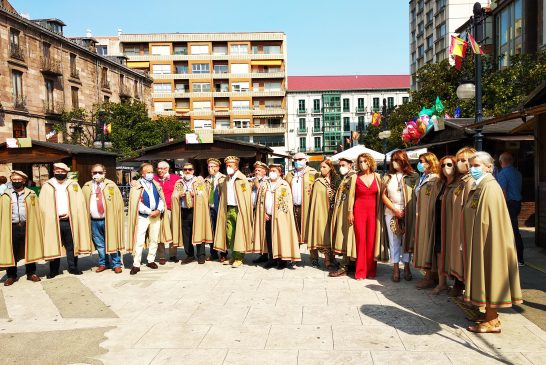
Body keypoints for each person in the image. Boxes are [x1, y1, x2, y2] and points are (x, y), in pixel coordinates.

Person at [463, 151, 522, 333]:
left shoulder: (490, 187)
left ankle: (492, 321)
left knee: (490, 275)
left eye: (476, 166)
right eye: (471, 165)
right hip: (480, 240)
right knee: (485, 276)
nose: (472, 169)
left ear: (489, 167)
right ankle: (489, 314)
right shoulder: (481, 185)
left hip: (488, 242)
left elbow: (489, 221)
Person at [40, 163, 92, 278]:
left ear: (66, 172)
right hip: (53, 221)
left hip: (69, 220)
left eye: (62, 171)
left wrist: (71, 213)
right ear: (53, 171)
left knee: (71, 245)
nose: (60, 173)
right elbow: (42, 205)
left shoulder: (73, 185)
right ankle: (53, 270)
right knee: (54, 244)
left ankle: (73, 267)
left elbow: (80, 203)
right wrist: (50, 216)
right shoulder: (47, 185)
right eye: (57, 171)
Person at [379, 150, 419, 282]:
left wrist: (409, 210)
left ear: (404, 161)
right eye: (393, 160)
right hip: (391, 211)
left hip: (409, 212)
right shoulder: (387, 176)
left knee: (407, 240)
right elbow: (383, 195)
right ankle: (395, 267)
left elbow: (417, 196)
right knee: (394, 240)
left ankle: (407, 266)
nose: (395, 162)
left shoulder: (413, 176)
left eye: (398, 160)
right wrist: (394, 209)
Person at [252, 164, 301, 269]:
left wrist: (278, 214)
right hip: (267, 216)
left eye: (274, 171)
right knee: (269, 238)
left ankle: (283, 260)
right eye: (271, 170)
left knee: (281, 238)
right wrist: (263, 213)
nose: (272, 173)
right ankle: (272, 259)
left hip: (280, 217)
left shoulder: (284, 185)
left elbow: (287, 203)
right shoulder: (265, 184)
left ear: (279, 173)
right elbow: (260, 200)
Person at [127, 163, 171, 275]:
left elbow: (161, 199)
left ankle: (151, 260)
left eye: (152, 172)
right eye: (148, 172)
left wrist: (159, 210)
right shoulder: (137, 185)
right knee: (139, 240)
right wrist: (149, 212)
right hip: (143, 216)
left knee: (154, 239)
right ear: (142, 173)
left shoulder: (155, 184)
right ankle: (136, 264)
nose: (151, 174)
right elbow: (137, 203)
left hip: (156, 216)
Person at [0, 171, 43, 285]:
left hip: (27, 225)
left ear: (24, 181)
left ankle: (31, 273)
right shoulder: (5, 195)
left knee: (30, 249)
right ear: (11, 180)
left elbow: (37, 211)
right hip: (12, 227)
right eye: (14, 180)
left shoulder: (31, 194)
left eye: (19, 180)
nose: (17, 182)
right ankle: (11, 275)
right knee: (12, 250)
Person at [443, 147, 476, 297]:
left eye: (463, 160)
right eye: (459, 160)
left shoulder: (471, 182)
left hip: (465, 229)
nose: (459, 164)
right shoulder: (461, 181)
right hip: (456, 226)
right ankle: (458, 283)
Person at [82, 164, 125, 274]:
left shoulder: (111, 185)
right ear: (91, 173)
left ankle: (116, 264)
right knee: (100, 245)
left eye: (100, 172)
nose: (97, 174)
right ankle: (103, 263)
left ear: (104, 173)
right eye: (95, 172)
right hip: (94, 220)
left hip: (109, 220)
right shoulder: (86, 186)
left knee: (112, 241)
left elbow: (119, 203)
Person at [213, 156, 253, 268]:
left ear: (236, 167)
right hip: (228, 208)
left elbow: (245, 196)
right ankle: (233, 256)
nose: (228, 167)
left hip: (238, 209)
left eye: (230, 165)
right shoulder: (226, 179)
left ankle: (239, 257)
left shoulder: (242, 178)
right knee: (230, 234)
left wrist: (244, 210)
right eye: (227, 165)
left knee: (239, 234)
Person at [171, 163, 213, 265]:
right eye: (185, 169)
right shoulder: (179, 182)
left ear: (193, 171)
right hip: (184, 210)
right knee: (186, 234)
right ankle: (189, 255)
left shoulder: (199, 181)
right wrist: (178, 195)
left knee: (199, 231)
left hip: (197, 210)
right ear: (182, 171)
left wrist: (195, 194)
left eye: (190, 169)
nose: (187, 171)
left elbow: (204, 194)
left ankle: (201, 255)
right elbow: (173, 195)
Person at [413, 152, 442, 289]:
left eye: (422, 161)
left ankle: (429, 276)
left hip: (429, 217)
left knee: (427, 245)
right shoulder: (423, 177)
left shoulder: (435, 179)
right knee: (423, 245)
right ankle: (430, 275)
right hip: (421, 216)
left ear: (430, 162)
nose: (420, 164)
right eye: (419, 161)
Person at [352, 153, 382, 280]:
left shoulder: (378, 177)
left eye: (364, 161)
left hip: (374, 212)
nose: (362, 163)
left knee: (371, 240)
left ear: (370, 162)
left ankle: (371, 271)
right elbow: (351, 197)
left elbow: (382, 195)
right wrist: (349, 212)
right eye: (360, 162)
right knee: (361, 240)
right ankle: (360, 271)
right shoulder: (355, 177)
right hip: (359, 210)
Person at [306, 159, 338, 269]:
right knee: (323, 235)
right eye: (321, 167)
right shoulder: (318, 181)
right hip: (321, 213)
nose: (322, 169)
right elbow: (315, 199)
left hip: (333, 212)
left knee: (331, 235)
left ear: (330, 167)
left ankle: (332, 258)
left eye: (324, 167)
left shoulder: (336, 180)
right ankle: (325, 259)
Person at [433, 155, 458, 294]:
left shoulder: (459, 184)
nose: (445, 168)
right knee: (439, 252)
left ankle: (457, 285)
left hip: (452, 225)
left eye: (449, 165)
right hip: (439, 223)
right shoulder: (441, 184)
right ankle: (442, 283)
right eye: (442, 165)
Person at [329, 157, 357, 277]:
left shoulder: (353, 177)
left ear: (350, 165)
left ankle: (345, 265)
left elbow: (353, 195)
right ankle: (348, 263)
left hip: (348, 212)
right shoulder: (345, 178)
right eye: (340, 165)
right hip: (341, 211)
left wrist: (350, 211)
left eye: (343, 165)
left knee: (347, 237)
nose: (341, 167)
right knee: (344, 237)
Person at [284, 152, 319, 247]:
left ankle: (314, 259)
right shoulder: (289, 175)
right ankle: (294, 257)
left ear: (305, 160)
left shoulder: (314, 173)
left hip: (308, 208)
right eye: (295, 160)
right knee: (294, 233)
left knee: (311, 232)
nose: (297, 162)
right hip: (293, 207)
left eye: (300, 159)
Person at [497, 152, 524, 266]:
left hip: (508, 204)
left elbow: (502, 191)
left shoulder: (503, 173)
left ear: (501, 162)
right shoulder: (518, 172)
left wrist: (500, 207)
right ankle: (519, 257)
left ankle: (516, 258)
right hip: (517, 203)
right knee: (514, 230)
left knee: (509, 230)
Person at [154, 161, 180, 265]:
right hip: (159, 210)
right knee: (159, 233)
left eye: (163, 168)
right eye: (159, 168)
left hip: (171, 209)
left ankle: (173, 254)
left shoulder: (176, 178)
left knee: (173, 231)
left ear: (167, 169)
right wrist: (134, 182)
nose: (160, 170)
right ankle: (161, 256)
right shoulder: (154, 179)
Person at [204, 158, 227, 262]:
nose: (210, 168)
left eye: (212, 166)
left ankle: (223, 253)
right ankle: (213, 253)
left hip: (220, 208)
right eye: (208, 167)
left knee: (221, 231)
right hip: (210, 208)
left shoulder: (224, 178)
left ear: (218, 167)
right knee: (211, 231)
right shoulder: (206, 180)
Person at [251, 161, 270, 264]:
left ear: (264, 172)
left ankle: (269, 254)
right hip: (255, 209)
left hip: (264, 210)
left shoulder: (267, 181)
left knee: (266, 233)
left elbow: (265, 193)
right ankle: (262, 254)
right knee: (259, 232)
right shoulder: (254, 180)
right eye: (256, 170)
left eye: (259, 170)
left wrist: (257, 184)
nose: (256, 172)